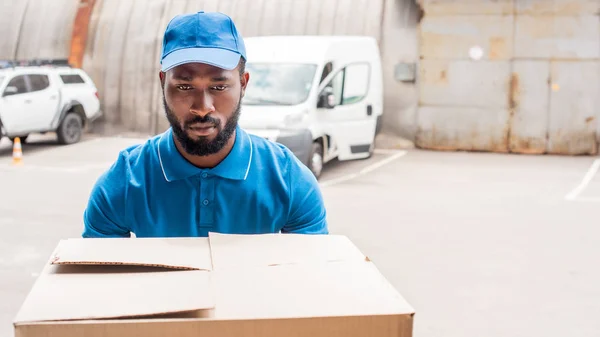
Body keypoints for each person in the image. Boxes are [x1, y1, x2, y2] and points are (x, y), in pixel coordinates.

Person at [82, 11, 328, 238]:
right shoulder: (124, 182)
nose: (202, 107)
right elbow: (99, 279)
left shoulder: (289, 181)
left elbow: (308, 276)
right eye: (184, 87)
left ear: (243, 84)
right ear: (163, 83)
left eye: (219, 87)